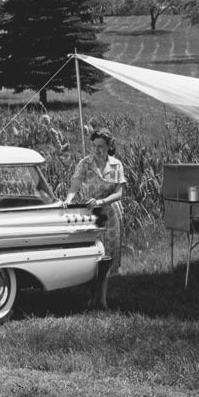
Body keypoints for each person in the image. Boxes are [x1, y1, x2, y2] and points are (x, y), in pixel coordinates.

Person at [64, 128, 127, 309]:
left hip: (110, 214)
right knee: (92, 255)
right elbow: (75, 184)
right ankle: (92, 297)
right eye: (94, 145)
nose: (97, 149)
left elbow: (119, 193)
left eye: (101, 146)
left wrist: (101, 201)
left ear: (108, 146)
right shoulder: (85, 163)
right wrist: (68, 200)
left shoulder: (116, 165)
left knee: (107, 256)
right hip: (91, 214)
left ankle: (102, 301)